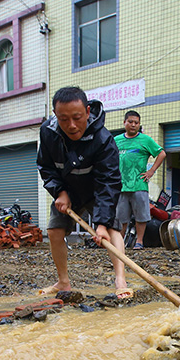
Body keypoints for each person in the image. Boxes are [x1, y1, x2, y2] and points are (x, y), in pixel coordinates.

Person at [37, 87, 129, 298]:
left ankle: (120, 280)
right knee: (54, 231)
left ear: (87, 112)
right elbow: (46, 167)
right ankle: (63, 282)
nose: (71, 125)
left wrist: (102, 223)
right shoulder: (48, 132)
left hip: (97, 191)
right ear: (55, 115)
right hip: (67, 190)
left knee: (112, 231)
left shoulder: (104, 140)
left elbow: (109, 182)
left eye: (77, 118)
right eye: (63, 119)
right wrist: (59, 191)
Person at [114, 110, 165, 250]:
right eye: (130, 122)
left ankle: (139, 242)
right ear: (124, 123)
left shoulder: (145, 140)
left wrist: (151, 171)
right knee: (121, 217)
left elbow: (161, 153)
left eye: (136, 123)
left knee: (141, 216)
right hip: (121, 186)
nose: (133, 125)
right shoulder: (116, 140)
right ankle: (120, 244)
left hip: (139, 185)